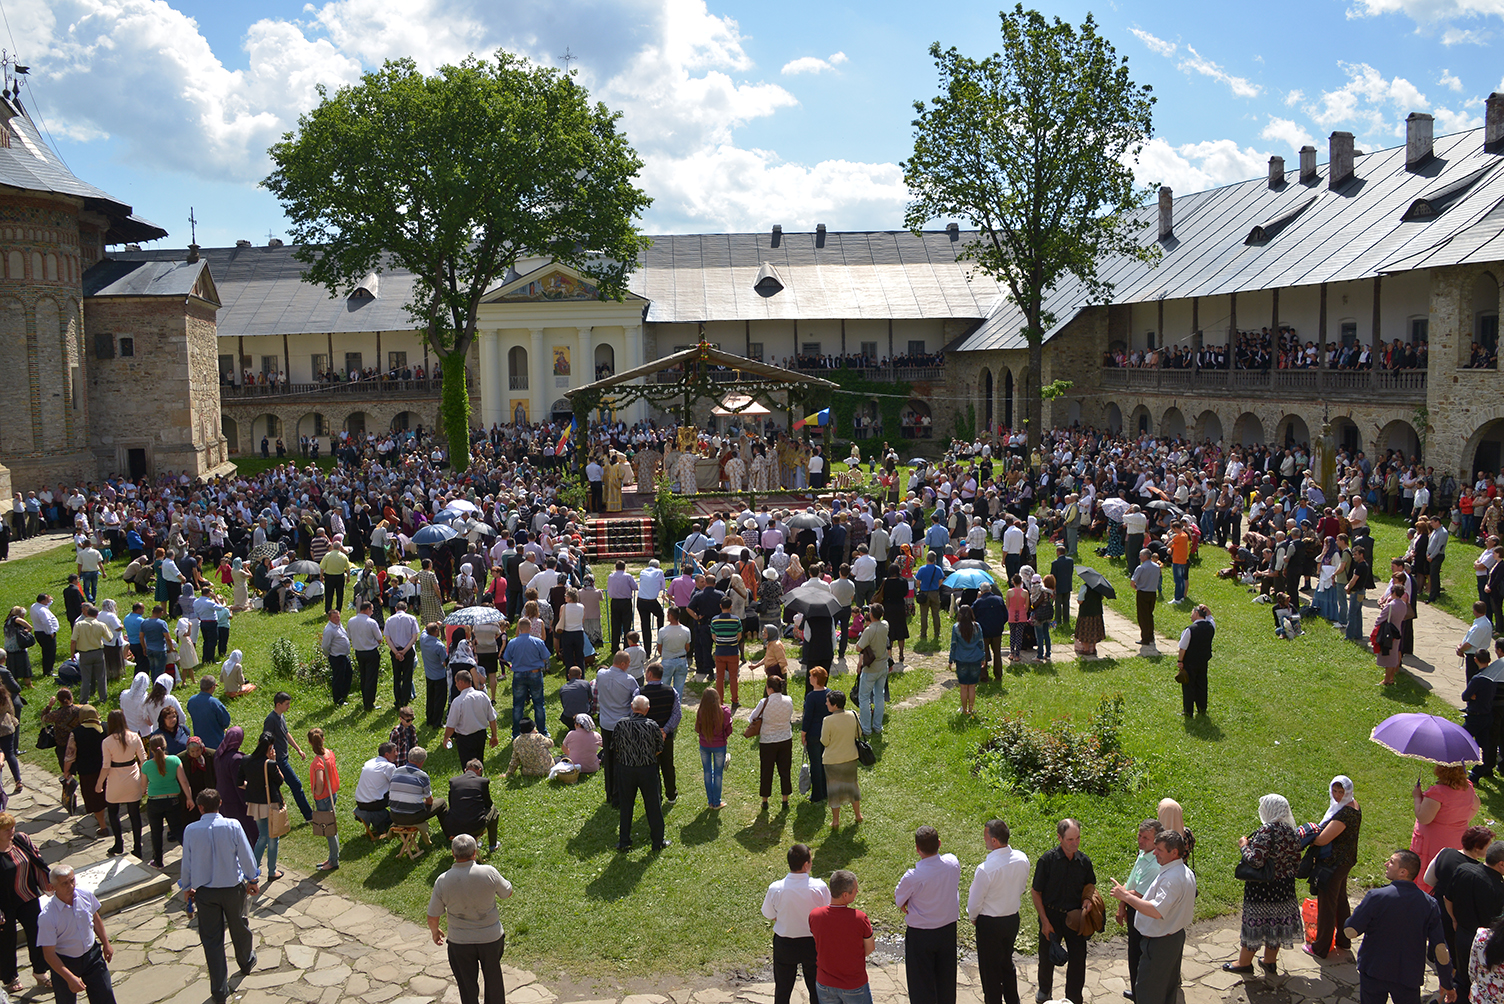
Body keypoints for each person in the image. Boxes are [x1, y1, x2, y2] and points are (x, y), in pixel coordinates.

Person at [178, 789, 260, 1004]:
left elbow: (186, 861)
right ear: (220, 803)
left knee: (212, 940)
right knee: (239, 927)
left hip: (205, 892)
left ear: (200, 807)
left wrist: (186, 886)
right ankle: (245, 961)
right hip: (232, 888)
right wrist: (252, 879)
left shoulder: (190, 830)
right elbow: (246, 854)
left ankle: (219, 989)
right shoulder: (232, 826)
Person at [1346, 849, 1452, 1004]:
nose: (1386, 864)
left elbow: (1350, 932)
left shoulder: (1376, 896)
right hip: (1408, 975)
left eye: (1391, 862)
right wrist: (1447, 983)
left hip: (1374, 970)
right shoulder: (1429, 904)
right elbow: (1440, 948)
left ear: (1403, 872)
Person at [1109, 830, 1197, 1004]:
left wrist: (1125, 896)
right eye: (1155, 848)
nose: (1154, 853)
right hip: (1173, 938)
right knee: (1167, 991)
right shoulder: (1184, 871)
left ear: (1174, 852)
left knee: (1148, 992)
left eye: (1159, 850)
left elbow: (1156, 911)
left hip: (1160, 944)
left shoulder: (1171, 878)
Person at [428, 834, 513, 1004]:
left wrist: (435, 932)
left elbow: (433, 915)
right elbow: (507, 893)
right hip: (490, 938)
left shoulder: (443, 880)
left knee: (466, 985)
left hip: (459, 942)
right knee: (494, 978)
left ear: (453, 853)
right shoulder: (488, 872)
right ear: (475, 853)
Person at [1224, 794, 1301, 975]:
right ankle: (1269, 961)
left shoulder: (1267, 830)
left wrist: (1244, 845)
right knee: (1276, 924)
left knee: (1256, 924)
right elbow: (1297, 860)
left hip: (1263, 888)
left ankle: (1243, 963)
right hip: (1285, 887)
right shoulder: (1292, 831)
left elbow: (1256, 861)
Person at [1031, 818, 1096, 1004]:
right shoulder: (1047, 861)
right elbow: (1036, 891)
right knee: (1046, 956)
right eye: (1070, 839)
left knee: (1078, 959)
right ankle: (1045, 990)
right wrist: (1044, 920)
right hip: (1051, 916)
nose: (1075, 843)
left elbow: (1090, 884)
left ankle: (1074, 997)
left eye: (1078, 838)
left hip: (1074, 918)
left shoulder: (1084, 862)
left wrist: (1087, 899)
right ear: (1059, 838)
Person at [895, 825, 961, 1004]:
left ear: (917, 849)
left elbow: (899, 898)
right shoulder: (952, 863)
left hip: (921, 936)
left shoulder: (913, 877)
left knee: (921, 985)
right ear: (939, 843)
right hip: (947, 931)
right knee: (946, 980)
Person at [967, 818, 1029, 1004]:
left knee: (990, 971)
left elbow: (975, 901)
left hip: (990, 924)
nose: (983, 839)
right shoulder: (1022, 859)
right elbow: (1022, 887)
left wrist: (974, 917)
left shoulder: (986, 870)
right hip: (1011, 920)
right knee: (1006, 964)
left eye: (985, 836)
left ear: (994, 840)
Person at [761, 843, 831, 1004]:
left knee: (782, 991)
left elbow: (769, 914)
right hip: (812, 944)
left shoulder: (776, 888)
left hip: (785, 944)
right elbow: (827, 912)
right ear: (806, 864)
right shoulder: (819, 887)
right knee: (816, 990)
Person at [37, 863, 116, 1004]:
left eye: (72, 880)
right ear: (52, 888)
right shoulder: (48, 916)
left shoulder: (85, 895)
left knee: (105, 996)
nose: (71, 886)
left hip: (92, 956)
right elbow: (48, 954)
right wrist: (69, 977)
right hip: (65, 962)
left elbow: (95, 918)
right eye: (64, 883)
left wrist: (106, 943)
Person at [1306, 776, 1362, 960]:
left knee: (1328, 904)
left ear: (1348, 791)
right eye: (1335, 791)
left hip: (1333, 863)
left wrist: (1308, 835)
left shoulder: (1345, 813)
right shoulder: (1353, 805)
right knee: (1340, 900)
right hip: (1345, 861)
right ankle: (1344, 941)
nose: (1337, 795)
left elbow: (1323, 839)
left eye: (1341, 792)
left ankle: (1320, 947)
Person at [0, 811, 53, 996]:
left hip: (28, 896)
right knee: (6, 941)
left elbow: (37, 861)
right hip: (4, 905)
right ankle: (10, 976)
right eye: (6, 829)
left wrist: (48, 882)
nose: (10, 831)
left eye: (12, 827)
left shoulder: (21, 840)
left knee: (37, 933)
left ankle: (40, 971)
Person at [1445, 840, 1504, 1004]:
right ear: (1501, 864)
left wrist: (1454, 919)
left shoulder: (1463, 869)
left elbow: (1447, 898)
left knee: (1461, 978)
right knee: (1475, 980)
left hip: (1461, 933)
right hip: (1484, 943)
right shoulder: (1498, 889)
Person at [808, 869, 876, 1004]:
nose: (857, 892)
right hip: (854, 985)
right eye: (855, 889)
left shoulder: (815, 916)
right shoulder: (860, 918)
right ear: (845, 895)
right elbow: (869, 949)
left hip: (825, 984)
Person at [1413, 764, 1481, 892]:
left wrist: (1417, 797)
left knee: (1430, 869)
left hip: (1434, 841)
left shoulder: (1437, 792)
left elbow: (1424, 818)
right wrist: (1459, 821)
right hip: (1456, 839)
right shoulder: (1468, 788)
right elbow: (1475, 806)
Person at [613, 695, 667, 851]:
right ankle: (658, 842)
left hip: (626, 770)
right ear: (647, 709)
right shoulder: (652, 726)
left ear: (631, 706)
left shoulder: (621, 724)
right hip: (647, 770)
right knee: (653, 806)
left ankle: (624, 841)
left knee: (626, 806)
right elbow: (659, 749)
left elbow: (615, 746)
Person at [96, 709, 145, 858]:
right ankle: (137, 847)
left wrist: (99, 783)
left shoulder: (107, 741)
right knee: (134, 814)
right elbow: (143, 760)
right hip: (132, 777)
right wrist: (144, 780)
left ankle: (118, 843)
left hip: (115, 780)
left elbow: (106, 766)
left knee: (113, 812)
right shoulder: (135, 737)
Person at [239, 731, 286, 882]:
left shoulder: (246, 760)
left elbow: (239, 782)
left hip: (255, 804)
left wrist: (252, 787)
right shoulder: (270, 764)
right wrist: (274, 761)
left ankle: (252, 869)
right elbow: (280, 781)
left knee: (262, 835)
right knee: (273, 837)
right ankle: (271, 871)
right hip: (270, 803)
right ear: (270, 747)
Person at [263, 692, 313, 821]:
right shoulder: (271, 719)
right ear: (278, 704)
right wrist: (271, 758)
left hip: (283, 757)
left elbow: (286, 733)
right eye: (287, 704)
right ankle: (309, 815)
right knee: (296, 785)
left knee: (282, 786)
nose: (289, 706)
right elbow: (265, 740)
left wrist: (298, 749)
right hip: (278, 759)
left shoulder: (281, 716)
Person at [142, 735, 189, 868]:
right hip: (173, 800)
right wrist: (189, 798)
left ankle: (158, 861)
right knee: (178, 829)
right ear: (165, 745)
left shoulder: (147, 765)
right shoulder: (175, 760)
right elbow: (184, 781)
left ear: (150, 749)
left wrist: (143, 791)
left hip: (155, 801)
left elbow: (143, 785)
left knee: (156, 832)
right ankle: (193, 854)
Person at [751, 675, 795, 811]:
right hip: (785, 739)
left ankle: (765, 800)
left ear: (769, 688)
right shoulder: (789, 700)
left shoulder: (764, 702)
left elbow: (752, 718)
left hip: (768, 741)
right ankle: (785, 800)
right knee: (785, 770)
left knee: (766, 771)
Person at [501, 617, 549, 738]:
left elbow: (507, 658)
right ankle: (542, 731)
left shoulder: (512, 642)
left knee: (518, 705)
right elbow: (545, 656)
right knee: (538, 704)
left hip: (519, 674)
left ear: (519, 628)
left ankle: (516, 733)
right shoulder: (537, 642)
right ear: (530, 627)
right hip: (535, 673)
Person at [821, 690, 862, 830]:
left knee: (834, 791)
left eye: (828, 702)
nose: (826, 703)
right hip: (850, 757)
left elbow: (825, 741)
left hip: (832, 760)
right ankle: (858, 815)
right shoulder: (853, 715)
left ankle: (836, 821)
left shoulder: (827, 720)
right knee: (853, 786)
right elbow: (859, 734)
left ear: (834, 705)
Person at [442, 670, 500, 770]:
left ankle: (469, 784)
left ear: (461, 682)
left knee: (467, 767)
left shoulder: (458, 701)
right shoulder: (483, 696)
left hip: (465, 739)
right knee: (478, 765)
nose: (456, 685)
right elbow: (492, 718)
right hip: (481, 736)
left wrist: (446, 738)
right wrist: (494, 735)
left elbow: (451, 725)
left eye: (456, 682)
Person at [639, 663, 681, 803]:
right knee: (668, 766)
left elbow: (636, 714)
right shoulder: (671, 691)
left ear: (650, 674)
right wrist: (665, 729)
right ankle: (672, 795)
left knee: (652, 768)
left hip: (648, 737)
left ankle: (656, 796)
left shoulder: (640, 692)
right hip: (666, 737)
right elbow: (677, 714)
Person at [444, 759, 500, 853]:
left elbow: (451, 803)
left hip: (455, 826)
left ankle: (474, 842)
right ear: (479, 770)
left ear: (465, 770)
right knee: (494, 811)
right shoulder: (482, 782)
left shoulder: (453, 781)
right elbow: (488, 804)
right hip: (475, 826)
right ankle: (492, 845)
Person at [389, 746, 447, 828]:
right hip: (414, 817)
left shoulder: (396, 772)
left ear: (408, 758)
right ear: (422, 762)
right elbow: (430, 801)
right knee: (441, 803)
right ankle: (450, 833)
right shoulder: (422, 776)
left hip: (394, 816)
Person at [307, 728, 340, 871]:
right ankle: (333, 857)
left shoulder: (317, 761)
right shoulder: (329, 753)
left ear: (309, 743)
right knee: (332, 827)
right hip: (332, 794)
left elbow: (319, 782)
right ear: (323, 739)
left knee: (329, 831)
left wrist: (316, 791)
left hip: (323, 798)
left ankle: (333, 861)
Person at [855, 603, 890, 735]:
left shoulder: (869, 630)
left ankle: (866, 729)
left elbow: (859, 647)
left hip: (871, 668)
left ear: (871, 614)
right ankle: (877, 726)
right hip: (883, 665)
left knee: (864, 698)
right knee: (879, 696)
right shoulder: (885, 625)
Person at [695, 688, 733, 809]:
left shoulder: (701, 712)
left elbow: (697, 729)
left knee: (707, 773)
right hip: (719, 746)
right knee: (718, 774)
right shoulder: (724, 712)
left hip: (704, 745)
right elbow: (729, 729)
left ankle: (710, 801)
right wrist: (724, 736)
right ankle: (716, 802)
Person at [353, 742, 400, 837]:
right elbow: (396, 785)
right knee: (399, 796)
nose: (396, 754)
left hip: (360, 801)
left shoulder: (369, 762)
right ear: (387, 755)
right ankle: (399, 820)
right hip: (372, 804)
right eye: (394, 752)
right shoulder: (389, 766)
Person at [1175, 604, 1214, 717]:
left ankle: (1188, 711)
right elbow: (1211, 618)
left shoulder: (1190, 629)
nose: (1191, 616)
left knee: (1188, 686)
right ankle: (1202, 708)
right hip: (1203, 661)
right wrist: (1208, 610)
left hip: (1190, 662)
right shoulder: (1210, 626)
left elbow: (1183, 647)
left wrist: (1180, 661)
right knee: (1202, 684)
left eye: (1192, 613)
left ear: (1196, 613)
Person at [801, 666, 831, 803]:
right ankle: (826, 791)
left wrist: (803, 733)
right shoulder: (829, 693)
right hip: (827, 733)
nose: (809, 678)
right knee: (825, 763)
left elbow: (807, 717)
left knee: (816, 764)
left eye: (811, 676)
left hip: (813, 734)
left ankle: (817, 794)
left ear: (816, 679)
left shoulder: (811, 696)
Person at [949, 604, 985, 716]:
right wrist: (983, 657)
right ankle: (971, 708)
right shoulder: (977, 626)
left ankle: (964, 710)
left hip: (961, 659)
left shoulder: (956, 627)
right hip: (975, 658)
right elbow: (981, 643)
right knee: (972, 686)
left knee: (963, 687)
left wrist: (951, 659)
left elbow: (953, 645)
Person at [186, 676, 230, 752]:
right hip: (216, 742)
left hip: (200, 742)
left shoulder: (191, 701)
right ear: (212, 687)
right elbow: (225, 721)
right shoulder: (215, 703)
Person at [321, 610, 353, 708]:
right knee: (338, 678)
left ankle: (344, 694)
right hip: (336, 657)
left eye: (338, 616)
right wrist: (328, 654)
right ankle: (338, 699)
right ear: (329, 618)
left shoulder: (339, 625)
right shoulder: (329, 630)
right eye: (335, 617)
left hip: (344, 656)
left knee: (349, 673)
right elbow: (325, 646)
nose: (337, 619)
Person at [1130, 550, 1160, 651]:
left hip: (1142, 593)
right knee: (1149, 614)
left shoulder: (1141, 567)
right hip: (1152, 593)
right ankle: (1151, 635)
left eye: (1140, 556)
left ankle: (1145, 638)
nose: (1139, 557)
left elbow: (1133, 582)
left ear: (1145, 556)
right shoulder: (1156, 567)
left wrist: (1136, 588)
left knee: (1142, 616)